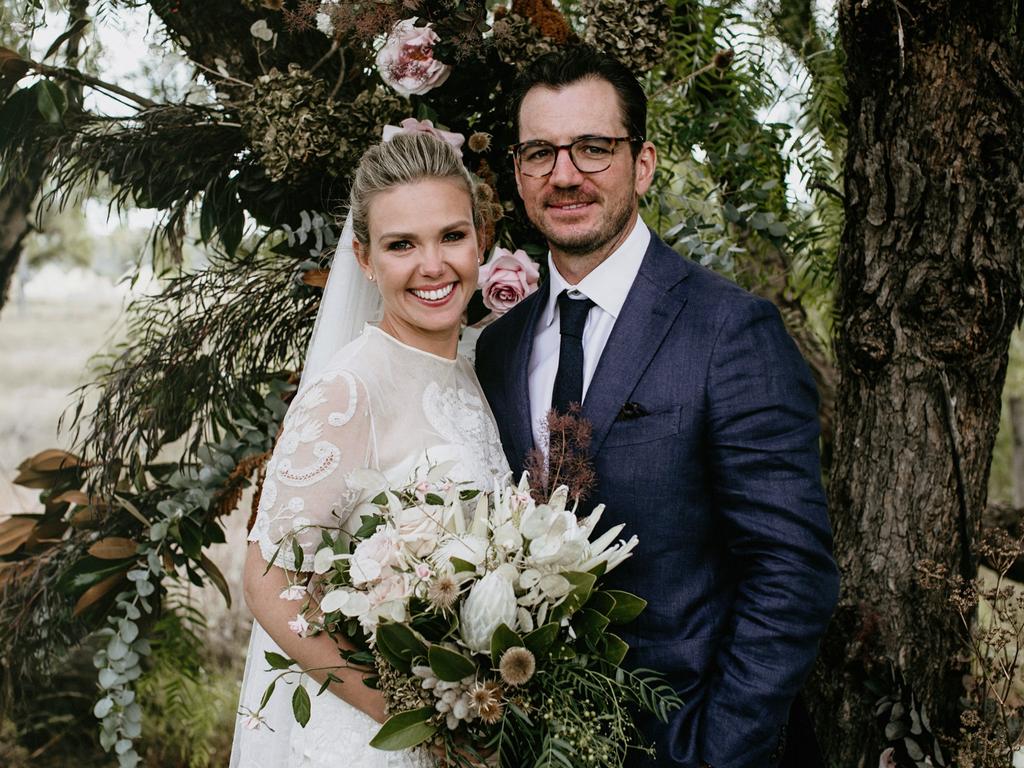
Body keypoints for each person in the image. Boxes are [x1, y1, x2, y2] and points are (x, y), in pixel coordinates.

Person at [475, 46, 840, 768]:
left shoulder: (730, 332)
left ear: (642, 164)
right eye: (540, 153)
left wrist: (715, 750)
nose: (566, 174)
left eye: (593, 148)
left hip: (690, 742)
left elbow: (791, 573)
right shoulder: (497, 349)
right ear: (517, 174)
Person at [230, 131, 509, 768]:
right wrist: (412, 716)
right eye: (402, 245)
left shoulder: (469, 368)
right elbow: (270, 581)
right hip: (378, 735)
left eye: (452, 236)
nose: (433, 266)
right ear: (364, 259)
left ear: (480, 240)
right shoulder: (349, 391)